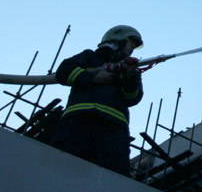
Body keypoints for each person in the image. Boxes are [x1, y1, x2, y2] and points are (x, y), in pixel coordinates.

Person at [49, 25, 144, 175]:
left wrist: (129, 77)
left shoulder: (131, 70)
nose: (133, 46)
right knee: (61, 169)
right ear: (118, 39)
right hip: (78, 122)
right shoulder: (90, 57)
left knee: (114, 178)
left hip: (114, 130)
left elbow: (133, 98)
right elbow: (63, 71)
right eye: (131, 41)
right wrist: (93, 77)